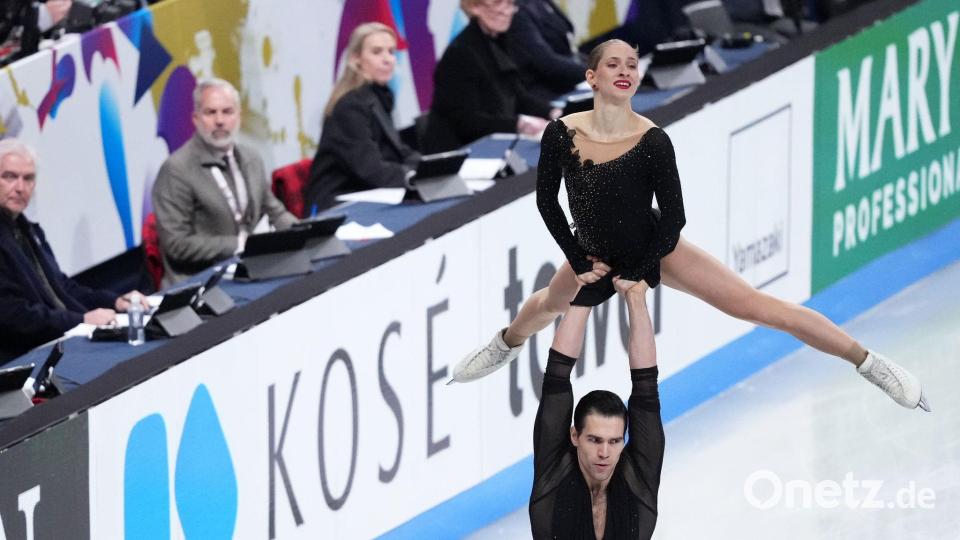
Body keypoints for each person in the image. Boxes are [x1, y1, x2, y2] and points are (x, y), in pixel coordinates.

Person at [451, 39, 930, 412]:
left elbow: (675, 217)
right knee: (547, 304)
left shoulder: (652, 140)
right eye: (613, 64)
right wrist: (578, 260)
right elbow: (547, 202)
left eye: (632, 64)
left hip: (653, 246)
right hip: (591, 250)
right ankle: (505, 344)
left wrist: (639, 270)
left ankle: (869, 363)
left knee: (756, 307)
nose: (625, 71)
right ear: (592, 77)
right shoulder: (562, 133)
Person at [531, 277, 663, 539]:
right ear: (574, 436)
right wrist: (586, 292)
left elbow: (646, 385)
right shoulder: (555, 471)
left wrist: (636, 296)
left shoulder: (638, 476)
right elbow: (556, 376)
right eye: (594, 440)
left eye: (614, 441)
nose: (604, 453)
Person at [0, 139, 147, 361]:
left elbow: (63, 288)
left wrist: (114, 301)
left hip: (62, 341)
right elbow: (13, 314)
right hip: (25, 357)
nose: (20, 188)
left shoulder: (27, 229)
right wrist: (81, 320)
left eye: (28, 178)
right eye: (10, 177)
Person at [152, 78, 297, 287]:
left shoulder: (251, 157)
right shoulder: (176, 170)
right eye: (210, 112)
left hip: (251, 268)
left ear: (239, 116)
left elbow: (275, 212)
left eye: (227, 112)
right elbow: (177, 244)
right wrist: (241, 244)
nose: (219, 121)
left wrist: (304, 233)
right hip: (202, 282)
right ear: (195, 119)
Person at [304, 22, 421, 214]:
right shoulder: (350, 106)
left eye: (391, 52)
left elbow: (395, 149)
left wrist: (426, 167)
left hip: (368, 191)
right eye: (377, 52)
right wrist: (411, 176)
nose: (388, 59)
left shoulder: (379, 95)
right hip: (337, 204)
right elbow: (369, 168)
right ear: (356, 58)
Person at [422, 0, 559, 153]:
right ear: (475, 7)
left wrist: (553, 112)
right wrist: (519, 124)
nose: (506, 11)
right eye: (498, 3)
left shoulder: (499, 40)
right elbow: (466, 121)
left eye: (510, 3)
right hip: (460, 152)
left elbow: (518, 96)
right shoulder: (459, 53)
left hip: (494, 144)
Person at [506, 0, 586, 102]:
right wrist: (593, 71)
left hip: (570, 81)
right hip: (547, 92)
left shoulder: (542, 2)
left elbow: (569, 48)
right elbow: (546, 62)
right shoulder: (516, 11)